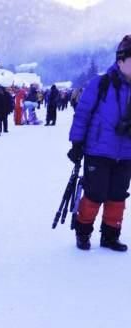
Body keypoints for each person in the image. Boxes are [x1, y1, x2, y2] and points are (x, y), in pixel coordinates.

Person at [67, 34, 131, 252]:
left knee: (117, 196)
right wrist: (77, 143)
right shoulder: (101, 84)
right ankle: (83, 233)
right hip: (98, 150)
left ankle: (110, 236)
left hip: (126, 153)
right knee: (95, 193)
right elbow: (82, 114)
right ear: (120, 60)